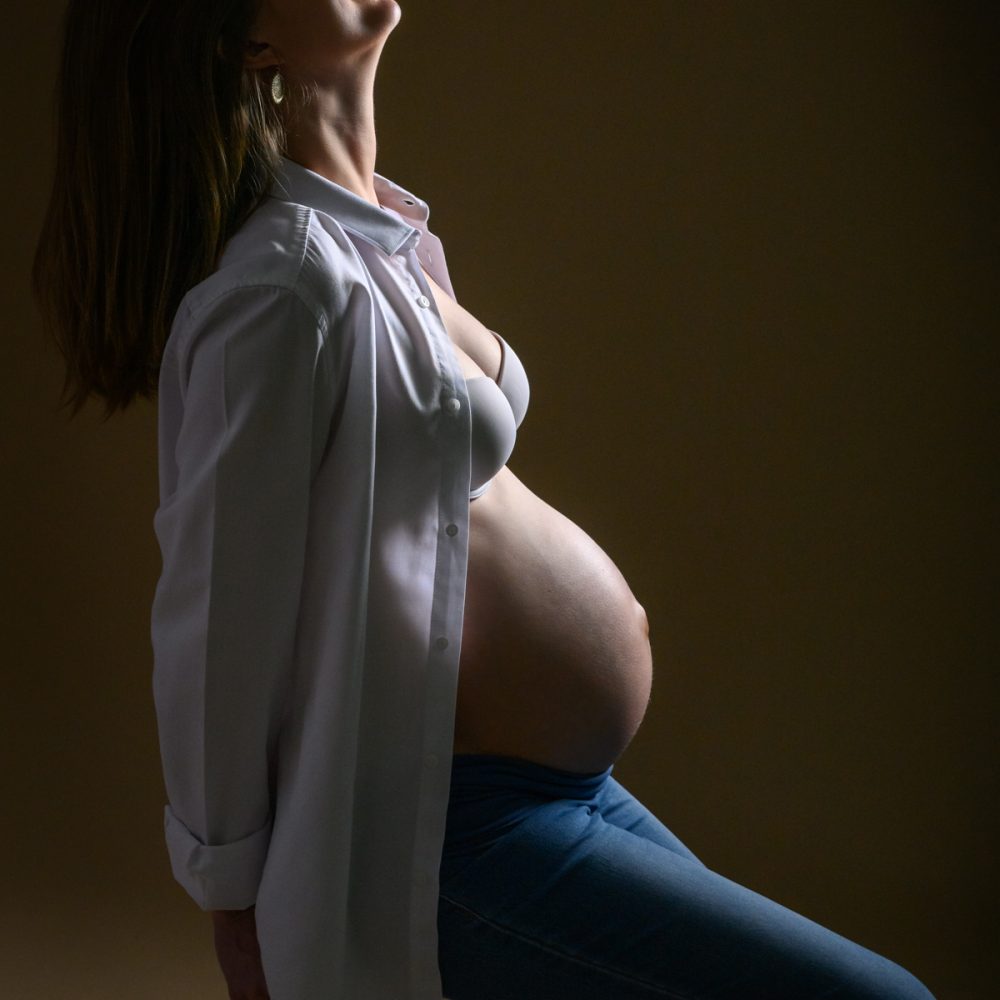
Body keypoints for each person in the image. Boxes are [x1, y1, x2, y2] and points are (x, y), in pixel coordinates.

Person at [31, 2, 938, 998]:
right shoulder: (278, 292)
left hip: (554, 793)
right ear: (251, 42)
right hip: (441, 837)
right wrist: (229, 890)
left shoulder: (373, 238)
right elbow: (217, 623)